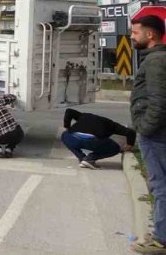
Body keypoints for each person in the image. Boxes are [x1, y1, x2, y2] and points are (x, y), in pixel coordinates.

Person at [130, 15, 166, 254]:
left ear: (150, 35)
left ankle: (161, 240)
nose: (132, 37)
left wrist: (145, 128)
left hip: (156, 135)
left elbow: (159, 101)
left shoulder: (155, 61)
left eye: (135, 33)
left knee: (160, 185)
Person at [60, 108, 134, 169]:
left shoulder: (84, 116)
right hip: (93, 140)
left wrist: (67, 127)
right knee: (116, 148)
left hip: (74, 137)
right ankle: (90, 158)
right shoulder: (112, 125)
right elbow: (131, 132)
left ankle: (82, 158)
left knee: (64, 135)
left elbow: (69, 111)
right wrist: (129, 145)